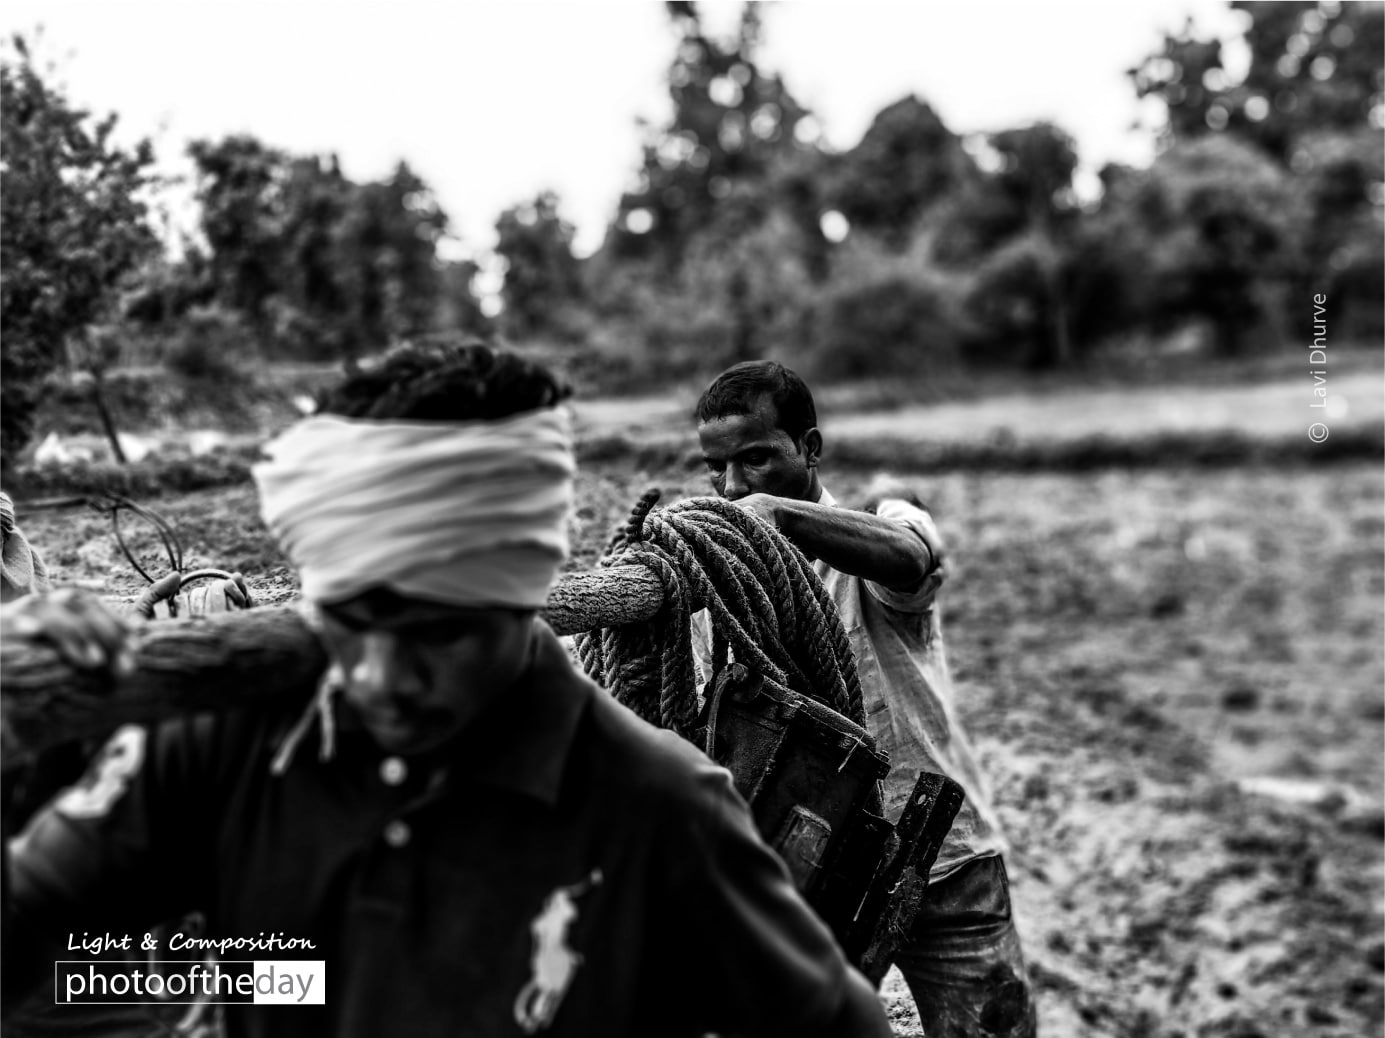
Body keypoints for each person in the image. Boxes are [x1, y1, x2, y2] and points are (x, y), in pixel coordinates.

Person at [3, 343, 892, 1038]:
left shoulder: (657, 814)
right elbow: (67, 956)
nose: (381, 672)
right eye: (350, 612)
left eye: (435, 627)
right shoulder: (227, 740)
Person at [692, 360, 1037, 1038]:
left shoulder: (872, 534)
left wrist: (780, 517)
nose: (732, 487)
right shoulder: (718, 582)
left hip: (942, 856)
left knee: (989, 1027)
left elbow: (912, 557)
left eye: (756, 459)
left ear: (809, 448)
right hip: (808, 865)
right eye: (716, 468)